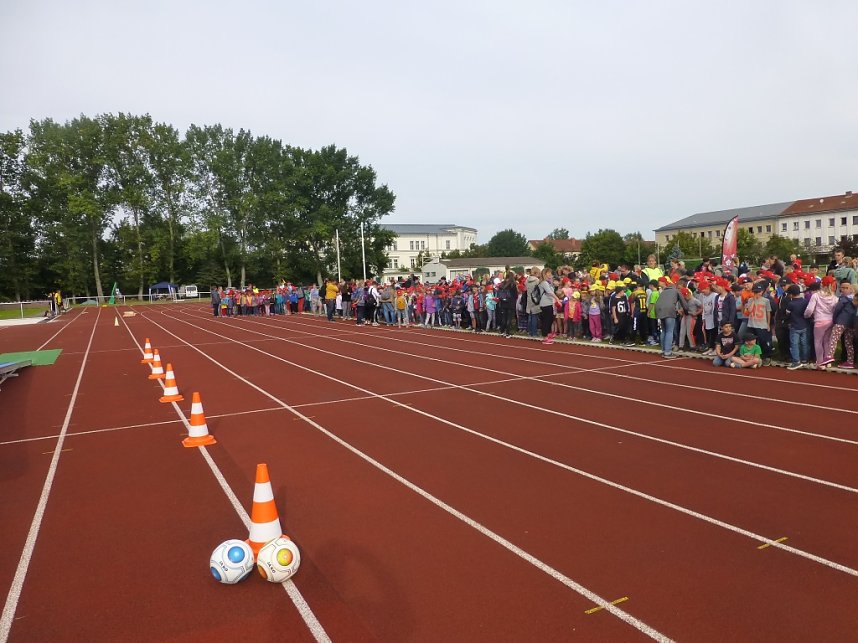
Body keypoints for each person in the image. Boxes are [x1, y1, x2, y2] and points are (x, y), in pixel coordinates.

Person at [804, 275, 838, 369]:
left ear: (821, 284)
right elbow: (835, 310)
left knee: (818, 341)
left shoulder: (816, 295)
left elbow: (809, 310)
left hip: (819, 321)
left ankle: (819, 362)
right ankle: (827, 361)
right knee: (827, 341)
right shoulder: (835, 297)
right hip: (830, 320)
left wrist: (806, 316)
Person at [744, 282, 773, 366]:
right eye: (755, 292)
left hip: (762, 324)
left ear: (762, 291)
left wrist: (768, 324)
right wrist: (753, 299)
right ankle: (752, 357)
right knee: (751, 341)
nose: (757, 293)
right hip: (752, 324)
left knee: (763, 341)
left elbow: (768, 313)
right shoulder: (750, 300)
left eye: (759, 291)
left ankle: (766, 356)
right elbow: (749, 311)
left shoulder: (766, 301)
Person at [829, 281, 856, 369]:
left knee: (834, 338)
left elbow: (837, 310)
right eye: (842, 288)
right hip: (851, 324)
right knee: (848, 343)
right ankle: (850, 361)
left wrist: (834, 320)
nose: (843, 290)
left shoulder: (843, 299)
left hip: (842, 322)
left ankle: (829, 356)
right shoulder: (852, 300)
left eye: (846, 288)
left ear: (851, 289)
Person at [655, 277, 684, 358]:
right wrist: (687, 310)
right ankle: (667, 352)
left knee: (664, 331)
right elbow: (683, 302)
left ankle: (664, 350)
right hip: (669, 311)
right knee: (669, 331)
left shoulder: (664, 291)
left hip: (659, 310)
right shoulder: (676, 290)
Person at [784, 284, 809, 369]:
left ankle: (796, 361)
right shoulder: (805, 301)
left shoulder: (791, 304)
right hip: (804, 325)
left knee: (794, 344)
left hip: (794, 326)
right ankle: (805, 360)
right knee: (804, 343)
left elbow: (787, 314)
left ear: (791, 294)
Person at [536, 268, 562, 344]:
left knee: (550, 319)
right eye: (549, 273)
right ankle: (545, 336)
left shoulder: (548, 283)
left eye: (550, 273)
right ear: (545, 274)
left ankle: (547, 334)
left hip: (549, 303)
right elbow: (549, 292)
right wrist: (557, 299)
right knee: (546, 320)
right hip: (545, 303)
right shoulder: (544, 283)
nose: (550, 274)